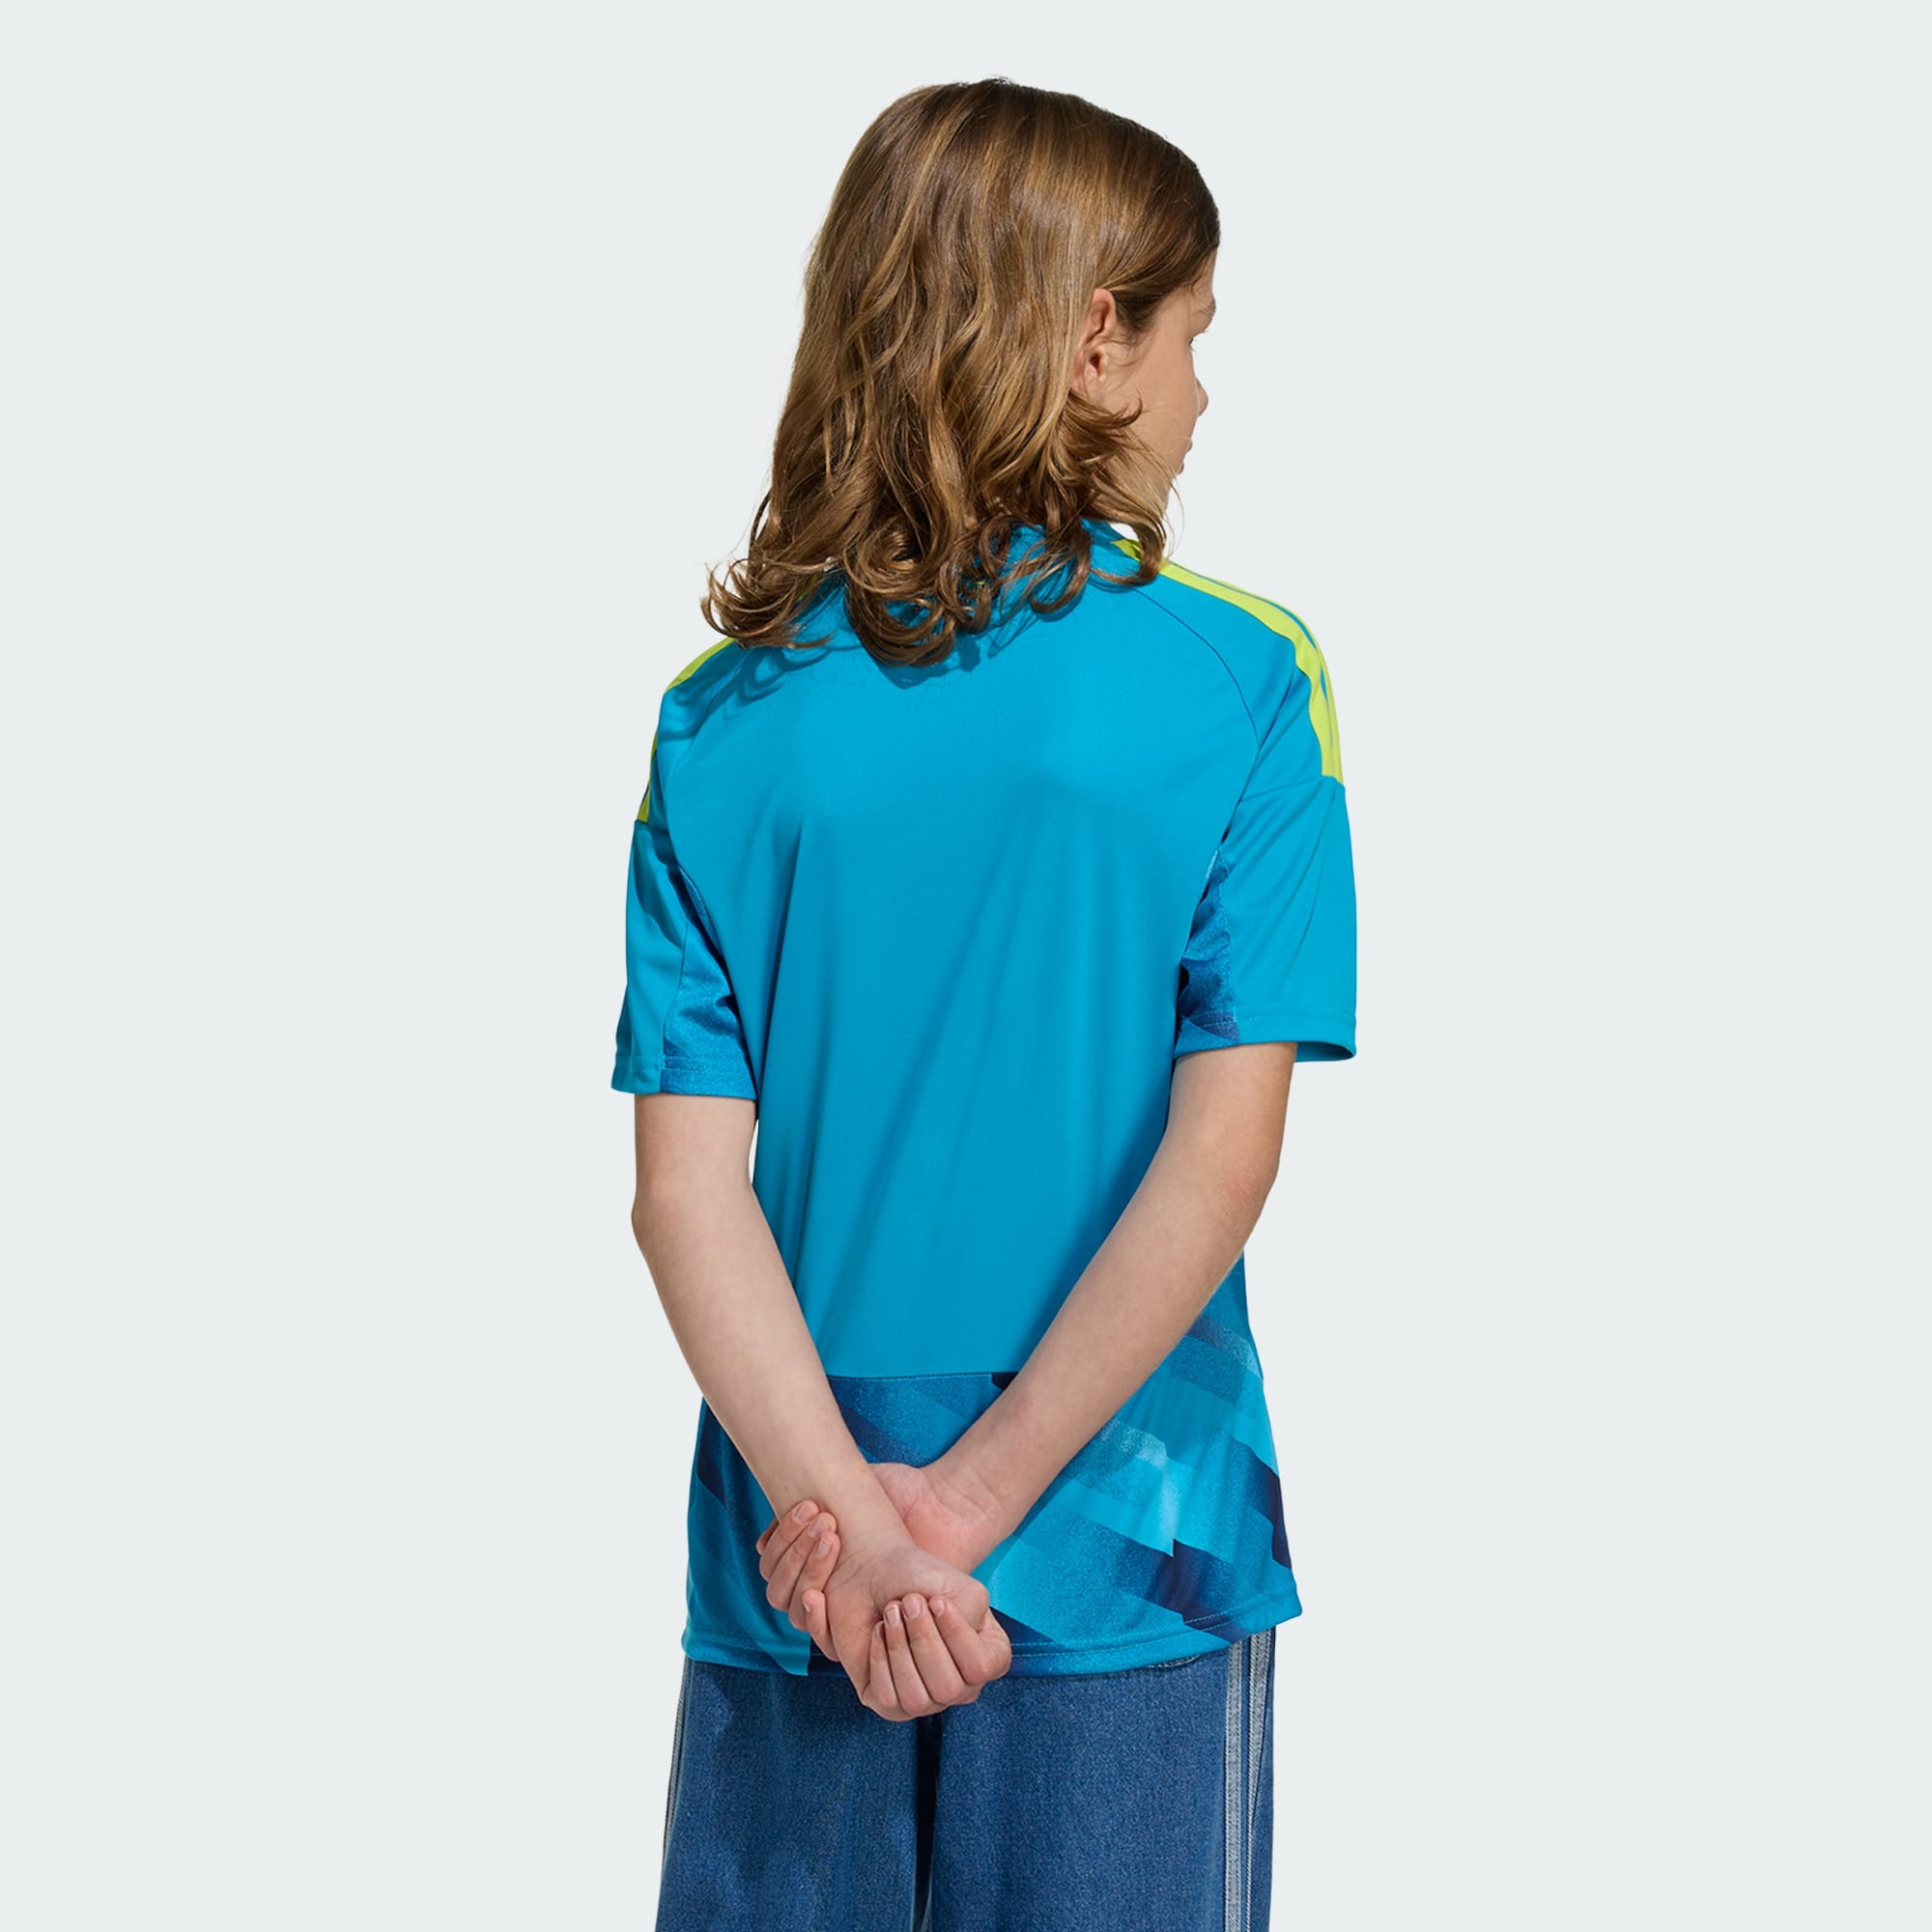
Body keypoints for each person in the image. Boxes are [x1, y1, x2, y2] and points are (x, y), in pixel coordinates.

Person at [614, 76, 1357, 1931]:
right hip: (1120, 1525)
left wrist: (860, 1530)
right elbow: (1223, 1157)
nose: (1203, 395)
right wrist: (962, 1511)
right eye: (1192, 337)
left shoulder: (716, 720)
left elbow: (684, 1194)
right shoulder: (1246, 680)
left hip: (798, 1542)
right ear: (1098, 341)